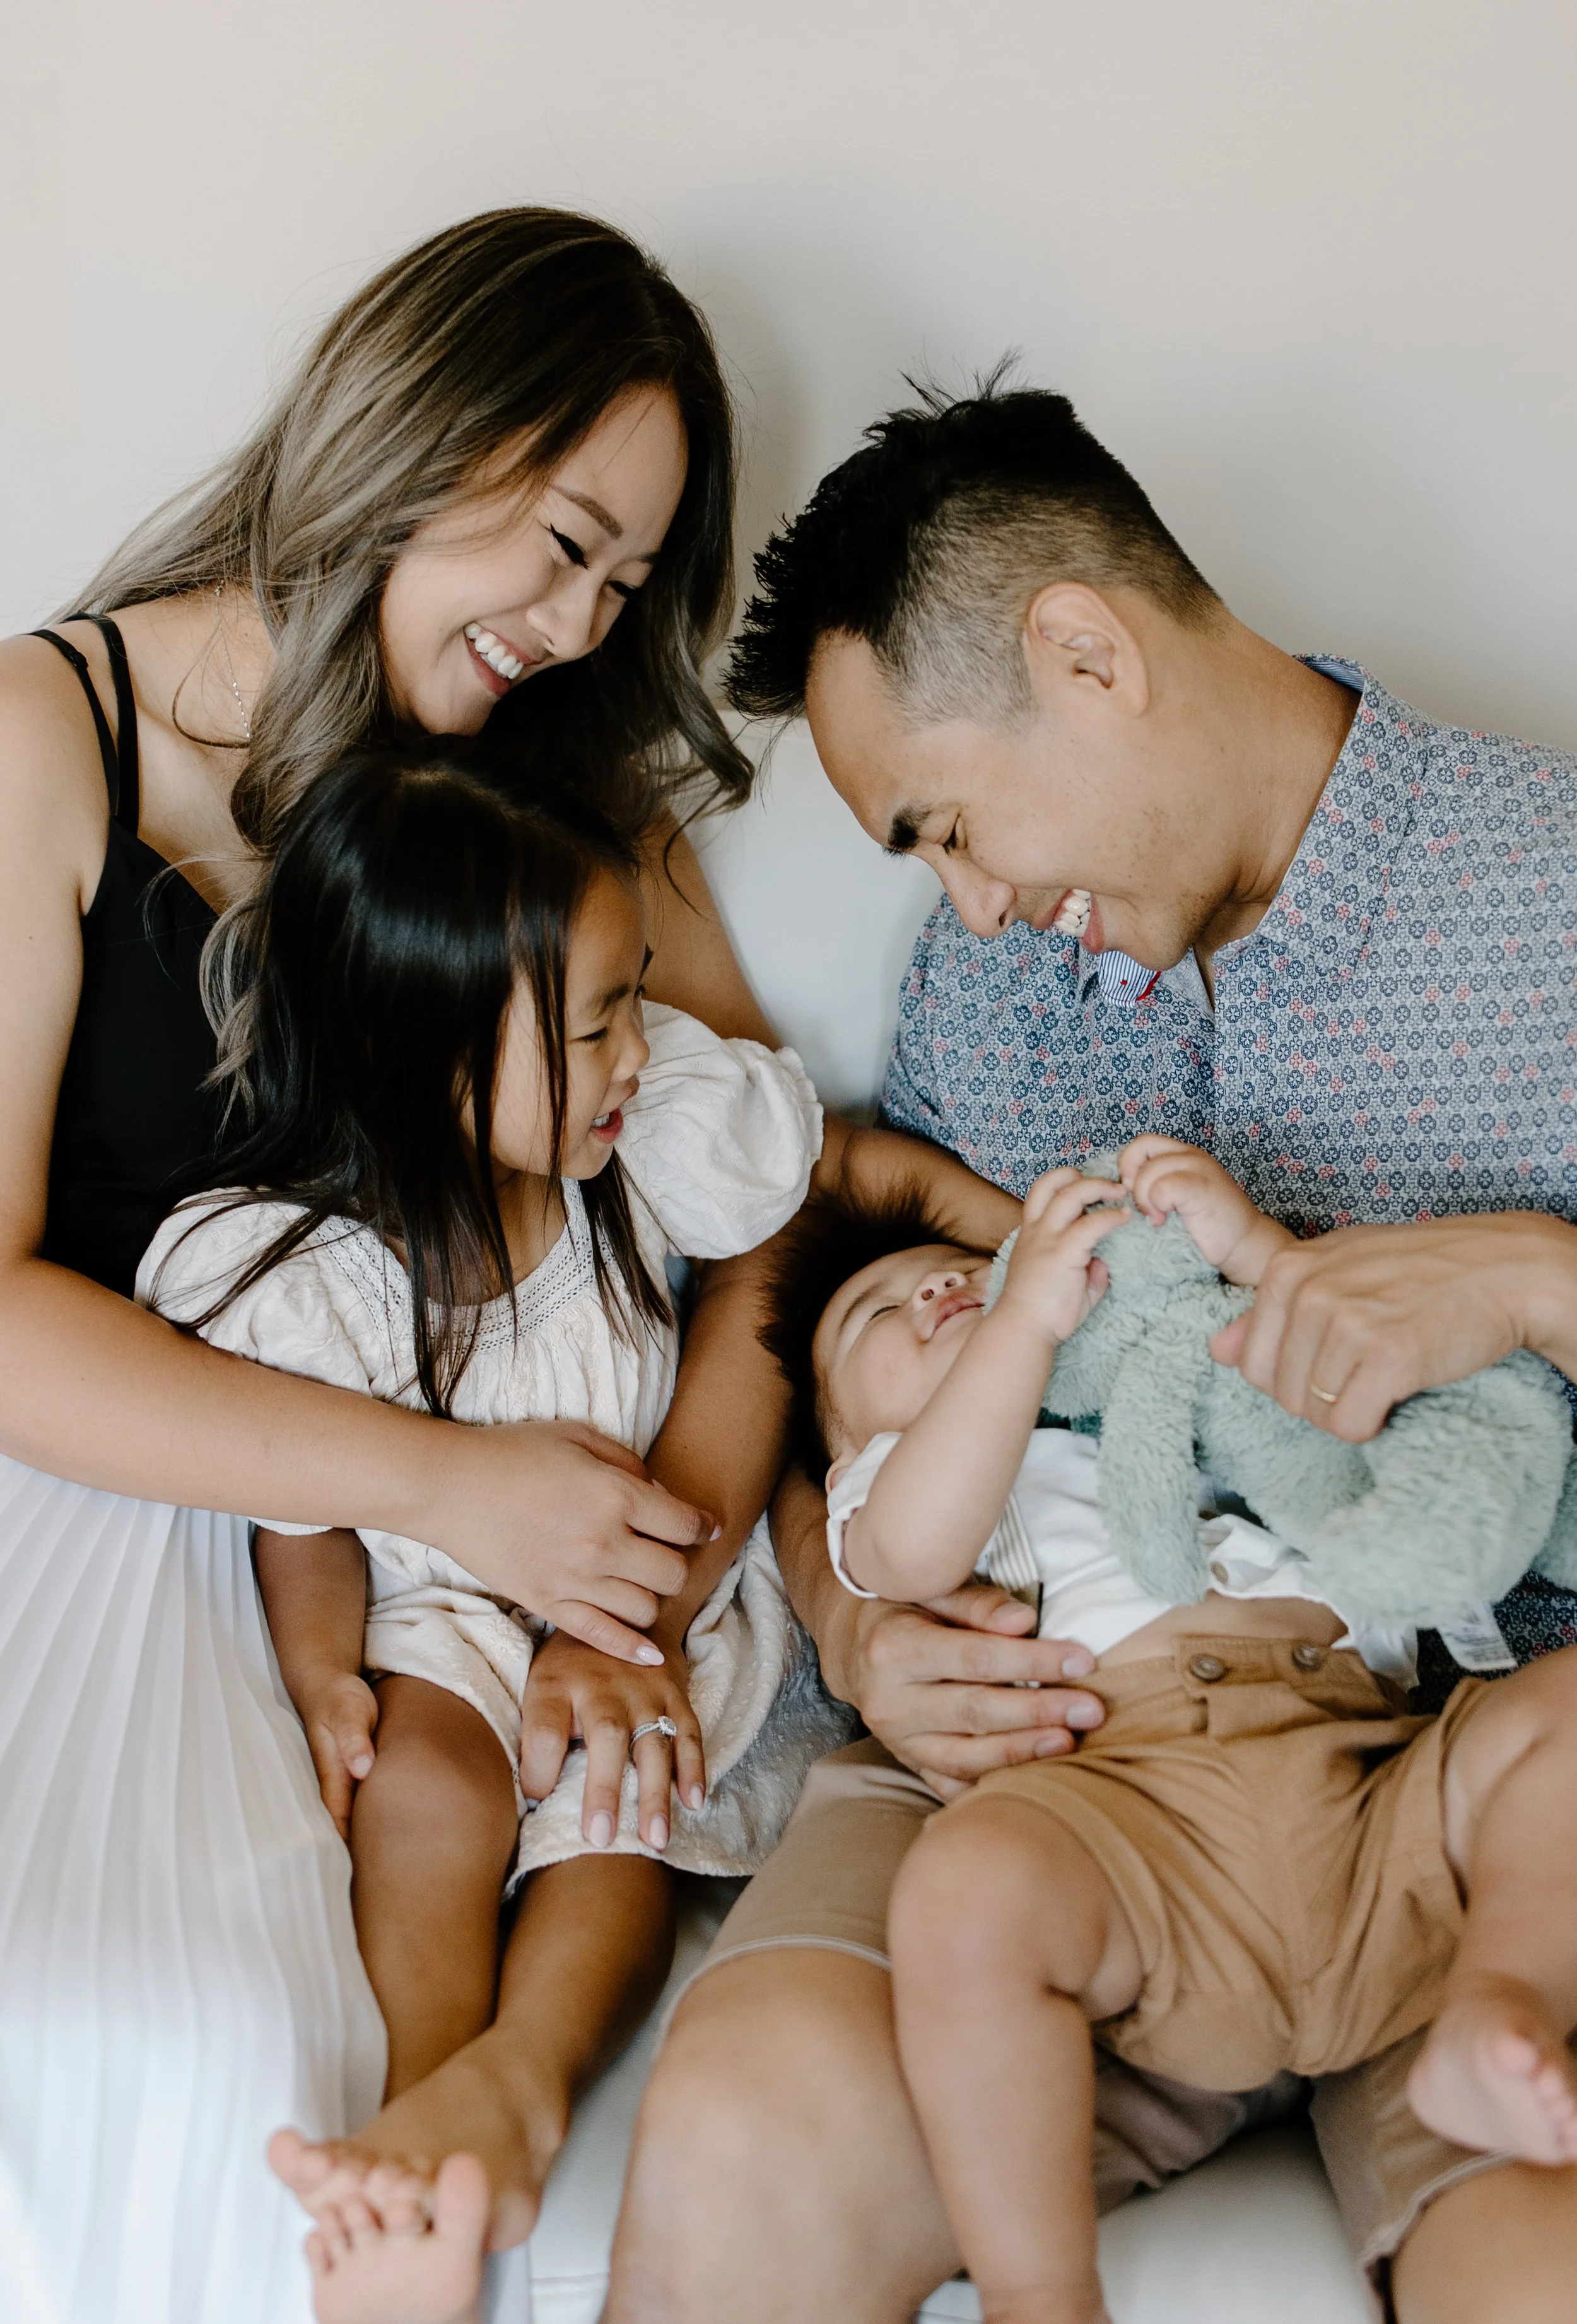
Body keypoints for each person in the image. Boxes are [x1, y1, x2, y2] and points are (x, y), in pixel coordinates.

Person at [0, 211, 1009, 2324]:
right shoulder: (48, 737)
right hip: (146, 1510)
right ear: (408, 433)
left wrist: (649, 1566)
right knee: (159, 2035)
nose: (573, 625)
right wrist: (451, 1497)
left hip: (520, 1546)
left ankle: (467, 2144)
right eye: (558, 543)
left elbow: (755, 1235)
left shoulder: (568, 821)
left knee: (323, 1997)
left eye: (625, 583)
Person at [606, 381, 1577, 2324]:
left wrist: (1533, 1274)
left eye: (953, 821)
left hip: (1460, 1777)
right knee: (742, 2133)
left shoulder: (1547, 887)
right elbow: (850, 1359)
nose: (965, 901)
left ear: (1084, 651)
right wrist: (848, 1607)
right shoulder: (990, 976)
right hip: (1041, 1785)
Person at [136, 739, 858, 2322]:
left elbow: (776, 1266)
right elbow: (306, 1506)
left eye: (633, 996)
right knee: (427, 1774)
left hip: (644, 1592)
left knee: (613, 1797)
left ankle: (512, 2097)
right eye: (593, 1021)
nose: (634, 1053)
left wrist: (626, 1635)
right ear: (431, 1050)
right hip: (445, 1609)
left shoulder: (644, 1154)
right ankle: (420, 2088)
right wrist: (325, 1668)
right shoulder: (307, 1273)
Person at [763, 1141, 1577, 2324]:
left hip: (1375, 1786)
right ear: (844, 1443)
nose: (931, 1293)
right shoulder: (898, 1481)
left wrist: (1246, 1252)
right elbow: (915, 1548)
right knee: (967, 1887)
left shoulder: (1157, 1390)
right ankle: (1041, 2294)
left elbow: (1345, 1391)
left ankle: (1494, 2000)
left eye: (952, 1272)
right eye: (874, 1319)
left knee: (1559, 1710)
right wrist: (1016, 1327)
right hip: (1136, 1819)